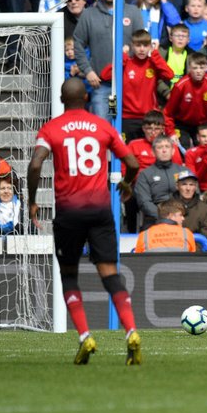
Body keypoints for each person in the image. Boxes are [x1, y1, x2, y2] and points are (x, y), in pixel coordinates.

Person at [27, 79, 142, 365]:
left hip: (69, 213)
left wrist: (32, 200)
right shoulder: (103, 126)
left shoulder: (51, 129)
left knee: (69, 275)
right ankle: (131, 332)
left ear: (61, 99)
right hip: (101, 212)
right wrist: (127, 184)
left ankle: (85, 336)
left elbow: (35, 163)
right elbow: (134, 163)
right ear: (87, 97)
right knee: (110, 274)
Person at [132, 199, 198, 252]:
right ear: (170, 215)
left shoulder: (144, 235)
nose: (183, 218)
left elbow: (139, 260)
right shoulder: (186, 233)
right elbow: (192, 258)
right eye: (180, 215)